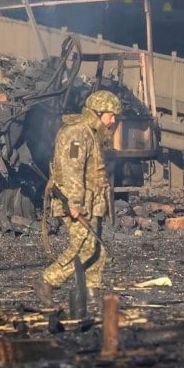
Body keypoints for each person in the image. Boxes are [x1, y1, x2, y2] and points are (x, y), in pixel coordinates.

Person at [34, 89, 121, 308]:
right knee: (84, 247)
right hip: (76, 202)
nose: (113, 120)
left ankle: (92, 292)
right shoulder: (77, 133)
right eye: (110, 115)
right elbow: (72, 171)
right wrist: (74, 204)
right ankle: (47, 281)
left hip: (92, 202)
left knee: (97, 248)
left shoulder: (91, 133)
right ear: (98, 112)